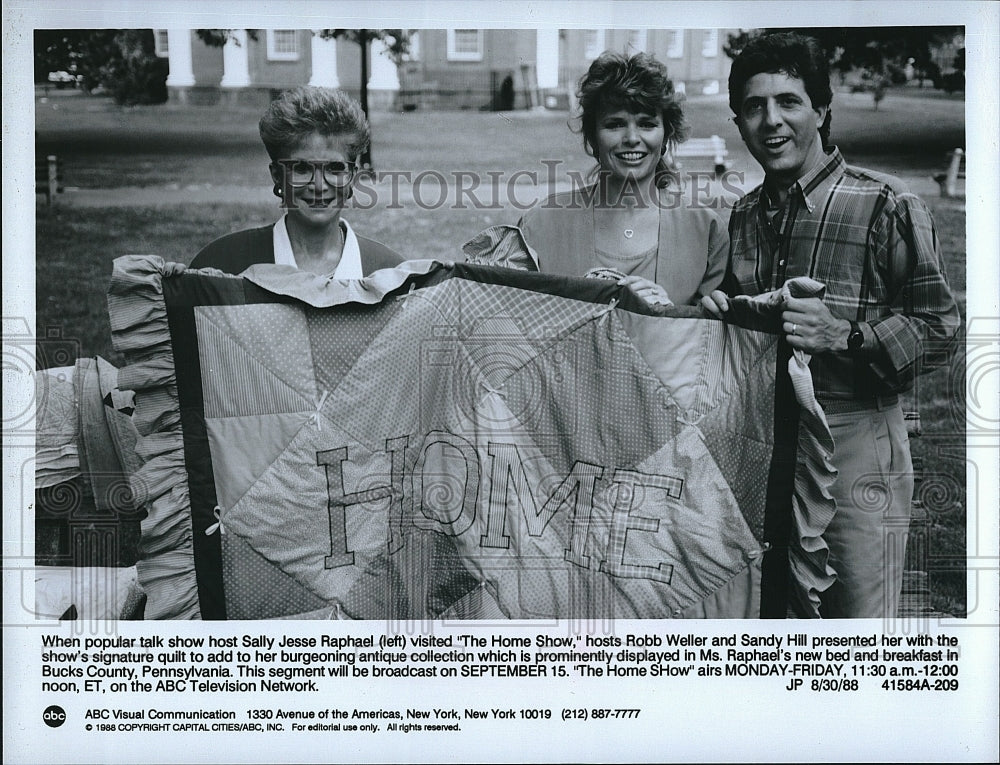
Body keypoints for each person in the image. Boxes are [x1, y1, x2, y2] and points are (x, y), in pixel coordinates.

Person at [702, 32, 960, 618]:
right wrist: (719, 314)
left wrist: (843, 334)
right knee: (769, 621)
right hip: (761, 444)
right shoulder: (741, 216)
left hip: (855, 441)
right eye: (754, 106)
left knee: (857, 629)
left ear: (821, 110)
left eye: (789, 102)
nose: (772, 121)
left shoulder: (887, 204)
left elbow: (940, 327)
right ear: (739, 121)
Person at [517, 51, 728, 307]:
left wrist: (669, 317)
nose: (631, 138)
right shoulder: (540, 225)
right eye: (615, 124)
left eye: (647, 124)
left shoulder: (705, 230)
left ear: (666, 136)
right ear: (593, 138)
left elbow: (712, 337)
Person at [191, 86, 402, 275]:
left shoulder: (387, 274)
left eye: (334, 168)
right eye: (301, 168)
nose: (319, 186)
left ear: (351, 177)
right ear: (278, 175)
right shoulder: (222, 266)